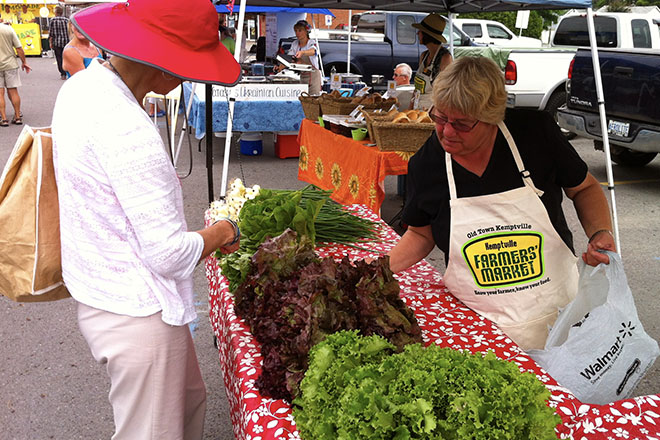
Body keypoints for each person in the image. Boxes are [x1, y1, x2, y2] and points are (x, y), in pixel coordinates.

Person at [51, 0, 241, 437]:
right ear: (166, 68)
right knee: (152, 429)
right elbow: (170, 255)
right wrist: (222, 230)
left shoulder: (81, 86)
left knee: (188, 401)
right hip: (138, 312)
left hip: (102, 291)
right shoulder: (129, 129)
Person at [387, 56, 615, 351]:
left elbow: (584, 188)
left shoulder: (535, 134)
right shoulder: (427, 163)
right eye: (440, 117)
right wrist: (378, 269)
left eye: (462, 123)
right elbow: (421, 233)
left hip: (561, 315)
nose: (447, 132)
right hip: (480, 330)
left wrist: (599, 233)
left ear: (493, 116)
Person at [411, 13, 453, 110]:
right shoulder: (424, 56)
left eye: (420, 31)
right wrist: (409, 108)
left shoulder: (445, 58)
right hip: (417, 109)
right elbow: (417, 89)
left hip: (432, 112)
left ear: (427, 35)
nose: (418, 33)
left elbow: (446, 92)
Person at [274, 20, 322, 95]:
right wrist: (280, 67)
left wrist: (303, 52)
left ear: (306, 31)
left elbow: (313, 51)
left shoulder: (311, 42)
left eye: (300, 30)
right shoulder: (295, 44)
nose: (297, 33)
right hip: (303, 76)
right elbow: (290, 59)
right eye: (296, 31)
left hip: (314, 77)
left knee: (314, 99)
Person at [0, 22, 31, 126]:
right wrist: (24, 62)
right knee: (13, 91)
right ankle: (17, 117)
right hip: (10, 64)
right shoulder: (8, 29)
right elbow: (19, 48)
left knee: (0, 93)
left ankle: (4, 119)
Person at [48, 5, 69, 80]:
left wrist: (50, 43)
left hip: (56, 42)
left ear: (56, 12)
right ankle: (67, 71)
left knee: (59, 58)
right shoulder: (66, 20)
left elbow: (51, 33)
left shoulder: (52, 20)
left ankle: (62, 73)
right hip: (66, 42)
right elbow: (69, 32)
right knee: (66, 58)